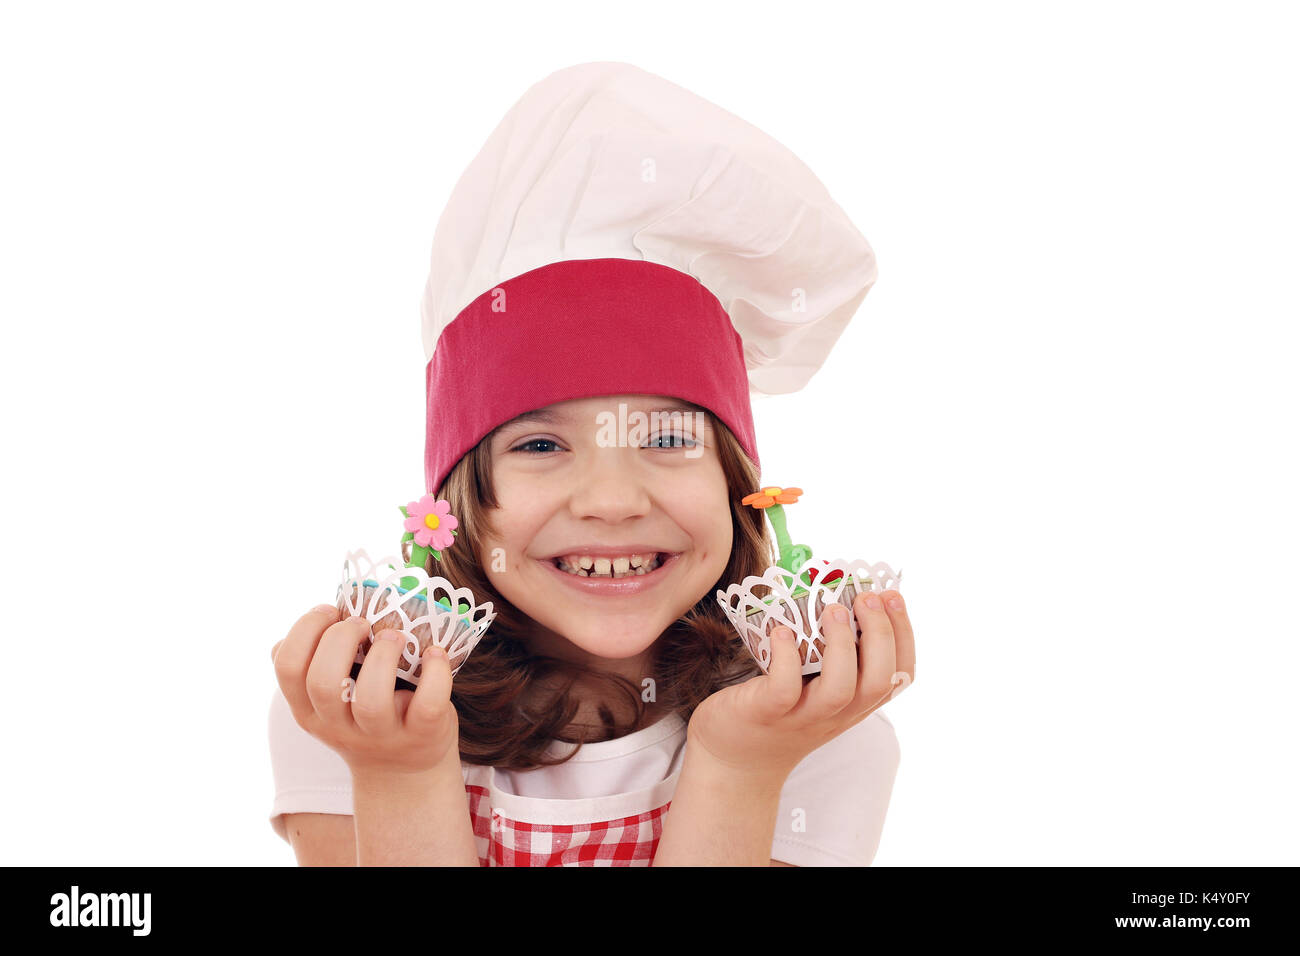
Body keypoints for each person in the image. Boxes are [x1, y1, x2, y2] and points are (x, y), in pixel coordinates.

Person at [268, 62, 916, 866]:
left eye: (668, 439)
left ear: (736, 485)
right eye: (539, 445)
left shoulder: (818, 736)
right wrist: (399, 773)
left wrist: (738, 766)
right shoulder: (351, 705)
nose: (612, 500)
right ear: (463, 502)